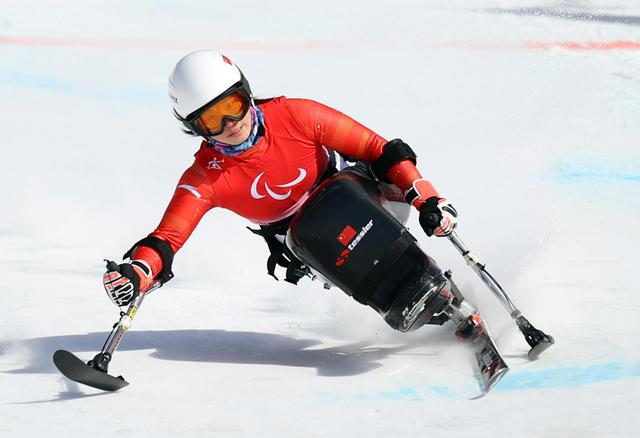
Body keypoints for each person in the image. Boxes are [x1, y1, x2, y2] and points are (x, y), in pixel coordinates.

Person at [102, 49, 458, 318]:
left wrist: (427, 199)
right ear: (196, 128)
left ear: (246, 92)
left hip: (358, 190)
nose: (230, 123)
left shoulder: (294, 115)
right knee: (319, 232)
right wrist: (139, 271)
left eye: (233, 104)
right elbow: (166, 239)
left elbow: (378, 148)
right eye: (212, 119)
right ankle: (423, 312)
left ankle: (441, 288)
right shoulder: (206, 177)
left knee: (341, 203)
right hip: (305, 239)